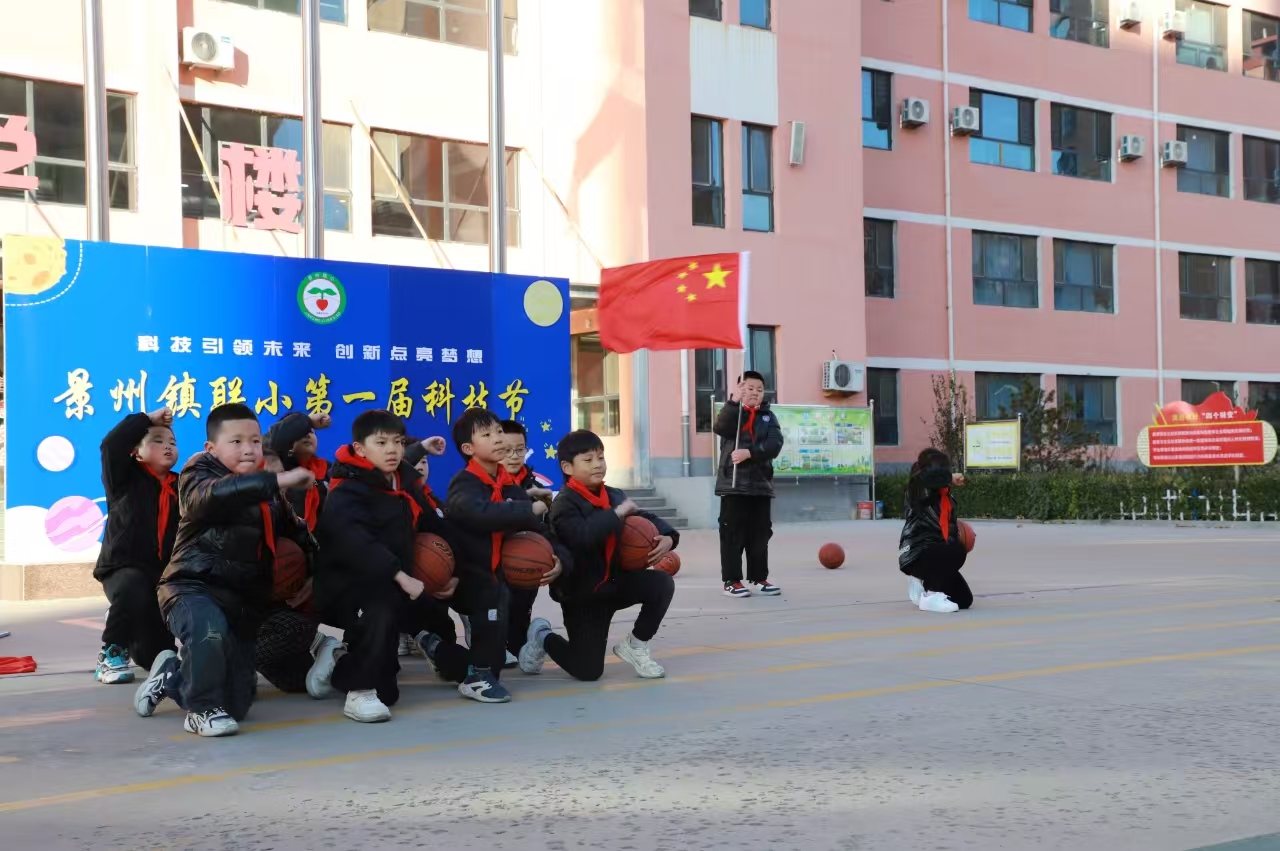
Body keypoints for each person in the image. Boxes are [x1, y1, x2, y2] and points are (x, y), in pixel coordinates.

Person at [133, 403, 316, 737]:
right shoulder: (198, 473)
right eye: (236, 441)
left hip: (242, 599)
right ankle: (200, 711)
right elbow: (212, 497)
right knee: (209, 631)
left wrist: (314, 573)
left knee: (236, 704)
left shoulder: (271, 496)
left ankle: (172, 675)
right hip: (191, 586)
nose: (248, 449)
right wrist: (276, 479)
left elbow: (300, 534)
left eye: (255, 441)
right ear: (211, 448)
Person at [306, 410, 472, 722]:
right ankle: (359, 693)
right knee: (379, 608)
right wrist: (399, 575)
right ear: (360, 449)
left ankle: (341, 658)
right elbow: (356, 543)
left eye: (397, 442)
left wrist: (456, 571)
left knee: (390, 693)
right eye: (381, 443)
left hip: (396, 582)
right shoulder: (346, 490)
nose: (392, 449)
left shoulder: (404, 482)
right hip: (350, 586)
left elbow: (433, 523)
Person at [517, 429, 676, 682]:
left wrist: (668, 536)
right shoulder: (564, 504)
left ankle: (635, 645)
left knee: (661, 583)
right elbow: (582, 537)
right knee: (588, 671)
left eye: (601, 457)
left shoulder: (614, 495)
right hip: (583, 595)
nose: (597, 464)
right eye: (588, 460)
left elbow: (643, 517)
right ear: (567, 467)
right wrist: (616, 514)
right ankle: (542, 636)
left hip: (615, 583)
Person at [445, 407, 559, 703]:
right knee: (489, 622)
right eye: (486, 435)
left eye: (498, 431)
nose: (497, 438)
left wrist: (556, 556)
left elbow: (530, 526)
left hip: (496, 574)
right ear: (469, 449)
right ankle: (476, 678)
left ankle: (474, 666)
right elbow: (478, 512)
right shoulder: (465, 482)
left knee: (497, 635)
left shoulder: (505, 481)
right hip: (469, 573)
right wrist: (526, 508)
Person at [92, 407, 180, 685]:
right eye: (157, 440)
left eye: (172, 442)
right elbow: (111, 445)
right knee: (133, 586)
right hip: (122, 569)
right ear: (136, 452)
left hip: (160, 577)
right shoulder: (124, 477)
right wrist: (147, 419)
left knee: (158, 656)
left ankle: (126, 626)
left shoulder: (182, 485)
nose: (167, 446)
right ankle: (111, 653)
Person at [255, 448, 332, 696]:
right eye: (268, 476)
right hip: (242, 608)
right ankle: (231, 660)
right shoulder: (229, 514)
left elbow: (315, 551)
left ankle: (329, 644)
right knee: (291, 680)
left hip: (280, 609)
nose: (278, 482)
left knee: (297, 680)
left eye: (281, 475)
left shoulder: (287, 514)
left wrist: (312, 578)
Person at [713, 370, 784, 599]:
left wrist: (749, 453)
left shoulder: (768, 417)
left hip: (761, 485)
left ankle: (759, 578)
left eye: (759, 389)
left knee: (760, 535)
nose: (755, 393)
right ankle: (732, 581)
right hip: (733, 485)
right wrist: (734, 401)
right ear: (740, 390)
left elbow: (774, 445)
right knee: (732, 534)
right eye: (749, 388)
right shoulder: (733, 413)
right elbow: (720, 427)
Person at [500, 419, 555, 665]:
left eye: (519, 449)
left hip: (525, 564)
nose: (514, 456)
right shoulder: (483, 486)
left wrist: (556, 558)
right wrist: (528, 509)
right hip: (493, 565)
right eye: (507, 450)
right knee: (497, 609)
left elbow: (551, 530)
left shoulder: (539, 487)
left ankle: (526, 637)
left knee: (520, 617)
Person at [898, 448, 973, 614]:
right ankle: (930, 596)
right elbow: (929, 479)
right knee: (955, 550)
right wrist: (949, 478)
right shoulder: (916, 489)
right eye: (944, 469)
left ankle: (923, 583)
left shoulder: (946, 497)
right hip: (917, 553)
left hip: (937, 555)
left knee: (963, 600)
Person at [265, 411, 332, 532]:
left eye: (311, 431)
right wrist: (308, 421)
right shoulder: (277, 471)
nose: (308, 435)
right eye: (301, 432)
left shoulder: (330, 470)